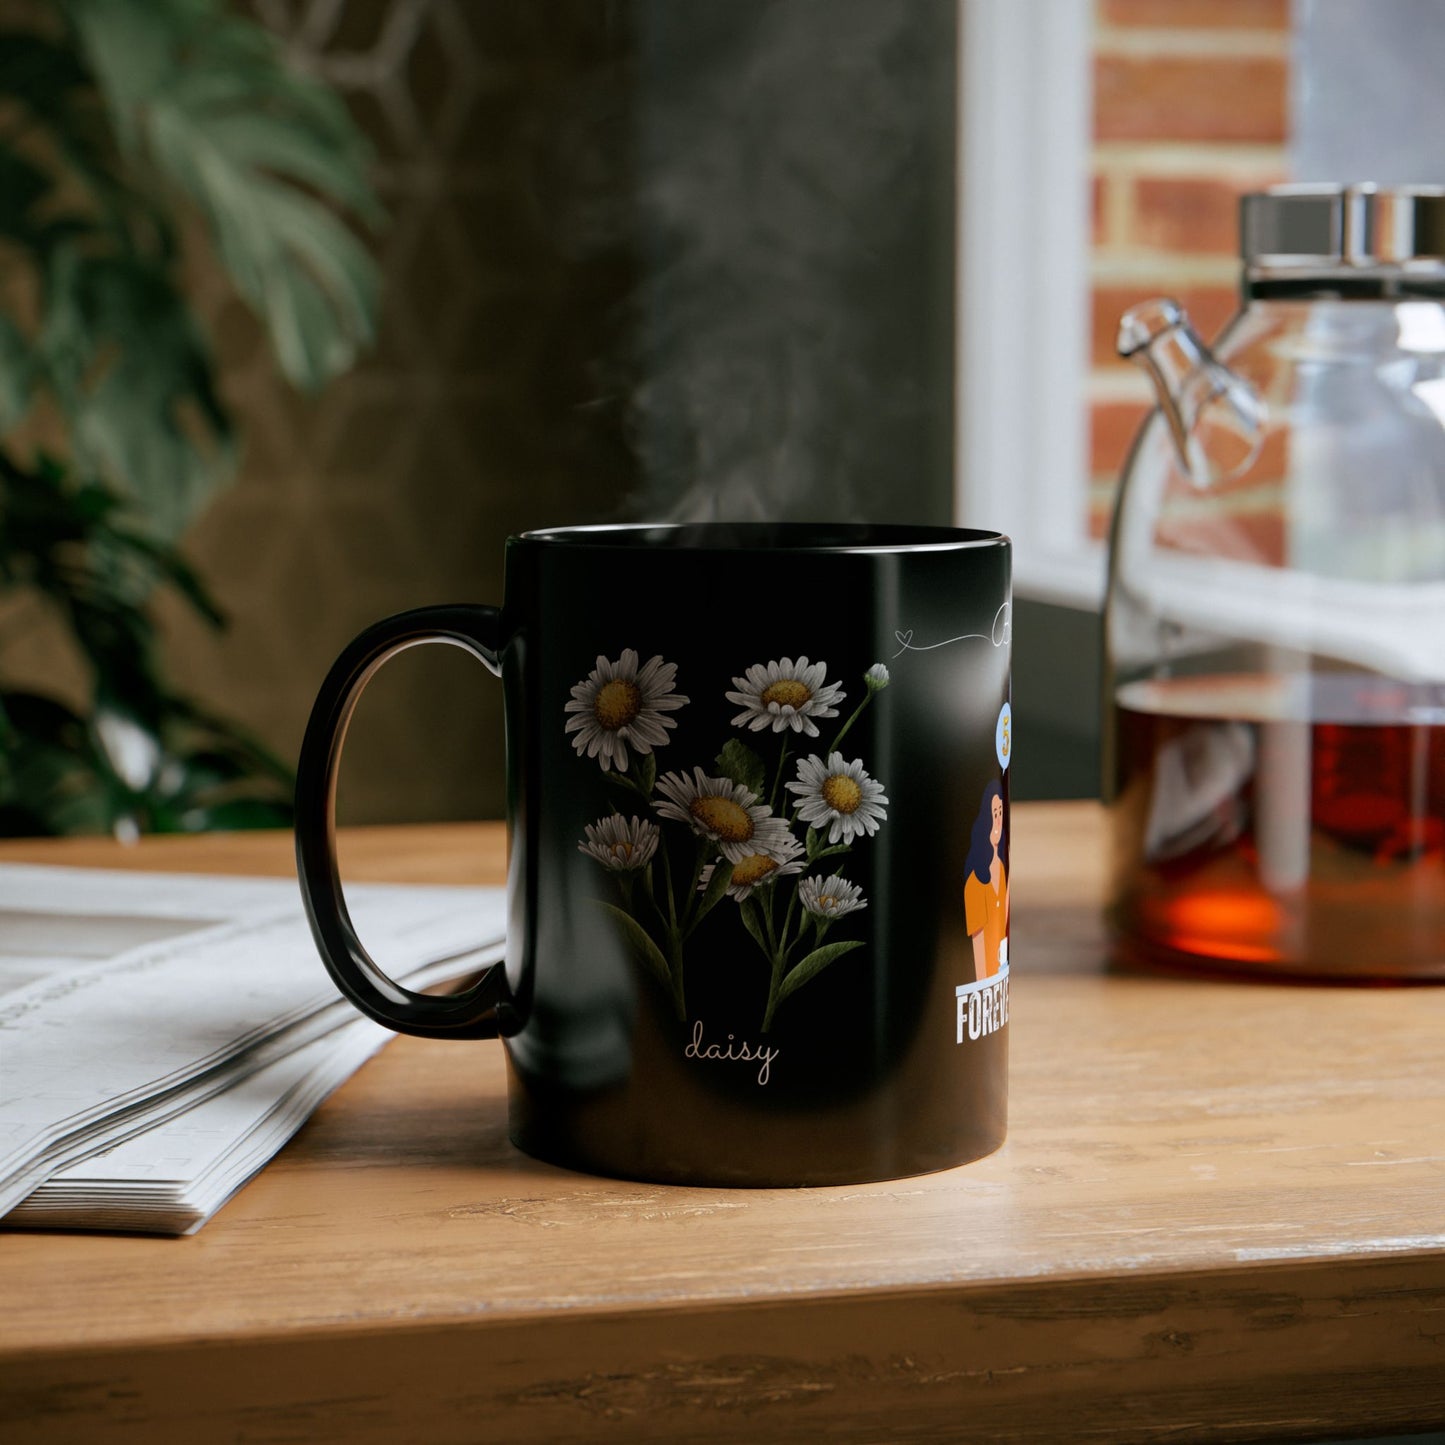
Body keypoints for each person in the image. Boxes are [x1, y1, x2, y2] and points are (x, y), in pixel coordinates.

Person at [964, 781, 1008, 981]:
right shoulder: (975, 884)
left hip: (1000, 977)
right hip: (987, 983)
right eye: (995, 814)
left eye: (1001, 813)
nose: (998, 821)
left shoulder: (1000, 866)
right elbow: (979, 949)